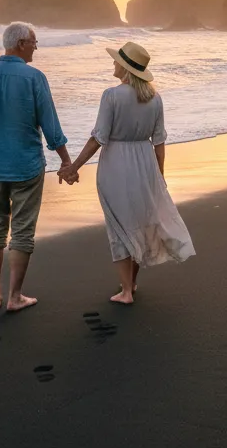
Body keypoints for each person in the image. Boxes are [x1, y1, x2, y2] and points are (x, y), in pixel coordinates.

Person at [59, 41, 195, 304]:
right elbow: (159, 142)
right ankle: (131, 283)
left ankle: (125, 291)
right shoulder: (155, 99)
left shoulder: (111, 96)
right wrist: (159, 177)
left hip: (116, 164)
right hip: (145, 163)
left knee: (118, 224)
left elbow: (98, 138)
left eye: (116, 61)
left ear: (125, 67)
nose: (113, 63)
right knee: (139, 223)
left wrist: (73, 167)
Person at [0, 20, 73, 312]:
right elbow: (49, 123)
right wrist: (65, 159)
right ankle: (15, 296)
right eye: (34, 42)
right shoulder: (34, 77)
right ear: (22, 43)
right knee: (23, 230)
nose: (36, 48)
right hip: (25, 165)